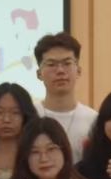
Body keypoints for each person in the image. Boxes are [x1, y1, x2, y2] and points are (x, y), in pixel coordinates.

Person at [33, 33, 98, 161]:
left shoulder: (94, 120)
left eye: (67, 63)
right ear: (39, 74)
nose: (60, 71)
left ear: (78, 71)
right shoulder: (30, 115)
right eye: (51, 64)